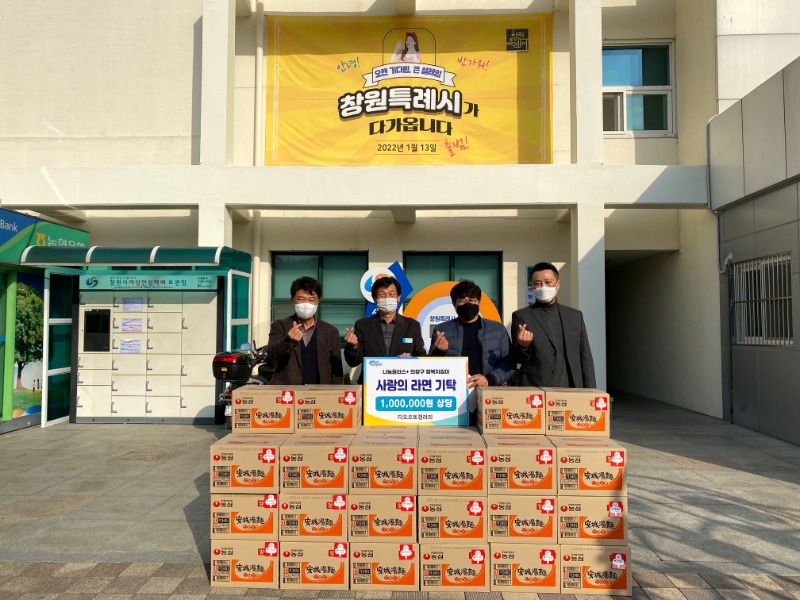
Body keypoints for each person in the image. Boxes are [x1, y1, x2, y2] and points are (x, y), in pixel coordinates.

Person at [429, 280, 515, 425]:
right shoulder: (442, 329)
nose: (467, 304)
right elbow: (431, 366)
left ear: (479, 302)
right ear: (454, 303)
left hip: (490, 396)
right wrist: (439, 351)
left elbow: (509, 362)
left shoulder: (497, 329)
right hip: (455, 399)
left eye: (472, 300)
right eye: (462, 301)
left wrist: (490, 379)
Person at [511, 262, 596, 388]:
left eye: (548, 282)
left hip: (571, 385)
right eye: (537, 283)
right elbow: (518, 358)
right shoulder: (521, 316)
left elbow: (585, 356)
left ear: (557, 284)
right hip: (536, 387)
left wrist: (591, 390)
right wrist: (522, 346)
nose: (543, 287)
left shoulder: (574, 316)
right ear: (532, 287)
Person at [344, 276, 425, 383]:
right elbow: (353, 362)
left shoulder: (412, 325)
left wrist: (411, 359)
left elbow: (422, 357)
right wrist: (353, 346)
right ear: (374, 299)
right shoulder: (363, 325)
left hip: (402, 384)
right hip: (371, 384)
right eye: (382, 295)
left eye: (391, 294)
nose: (387, 298)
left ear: (398, 297)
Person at [265, 276, 344, 385]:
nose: (306, 304)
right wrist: (288, 341)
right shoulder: (280, 326)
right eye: (301, 299)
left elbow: (336, 370)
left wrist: (335, 392)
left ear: (318, 302)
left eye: (311, 299)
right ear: (292, 300)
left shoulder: (330, 331)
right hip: (287, 392)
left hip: (320, 391)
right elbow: (271, 356)